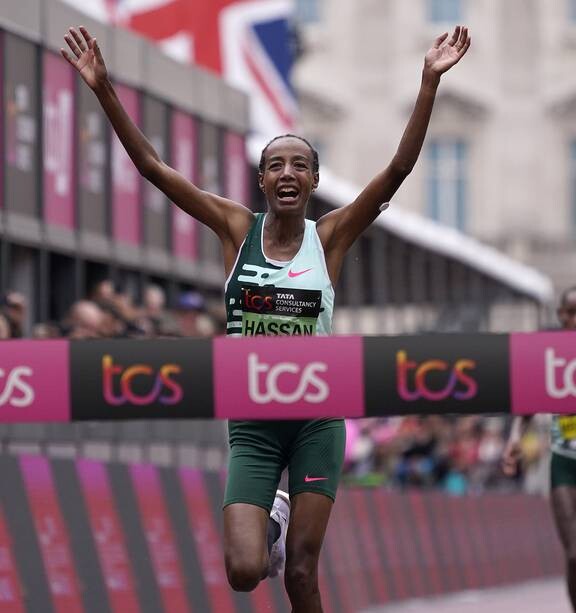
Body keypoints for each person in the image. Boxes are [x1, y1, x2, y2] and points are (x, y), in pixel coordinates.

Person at [62, 24, 470, 612]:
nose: (286, 174)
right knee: (243, 571)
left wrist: (428, 82)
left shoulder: (330, 238)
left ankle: (289, 535)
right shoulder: (236, 228)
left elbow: (398, 171)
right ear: (261, 181)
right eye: (275, 165)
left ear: (313, 181)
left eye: (299, 165)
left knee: (301, 573)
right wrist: (103, 89)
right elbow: (153, 167)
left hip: (316, 421)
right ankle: (271, 518)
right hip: (252, 421)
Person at [502, 286, 576, 612]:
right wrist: (514, 438)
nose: (573, 319)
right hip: (565, 460)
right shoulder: (550, 354)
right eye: (569, 312)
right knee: (574, 553)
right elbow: (528, 402)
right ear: (560, 314)